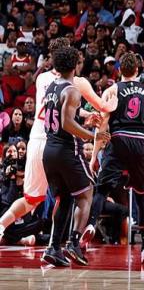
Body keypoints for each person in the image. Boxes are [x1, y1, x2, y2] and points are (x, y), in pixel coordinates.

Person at [0, 37, 117, 243]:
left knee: (31, 199)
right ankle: (59, 242)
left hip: (37, 139)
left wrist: (82, 115)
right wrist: (113, 99)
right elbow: (101, 107)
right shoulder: (77, 82)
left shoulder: (42, 78)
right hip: (58, 142)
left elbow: (55, 107)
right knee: (72, 196)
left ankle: (1, 226)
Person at [86, 52, 144, 265]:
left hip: (118, 139)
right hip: (140, 142)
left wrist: (95, 155)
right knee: (141, 195)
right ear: (137, 70)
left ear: (119, 70)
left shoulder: (112, 90)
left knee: (102, 191)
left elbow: (102, 125)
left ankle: (90, 225)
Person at [41, 46, 110, 267]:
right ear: (75, 65)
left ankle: (53, 248)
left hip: (49, 150)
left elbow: (61, 114)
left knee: (65, 198)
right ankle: (73, 242)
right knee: (87, 193)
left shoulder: (52, 87)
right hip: (66, 150)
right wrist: (92, 135)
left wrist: (84, 119)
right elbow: (66, 123)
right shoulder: (72, 90)